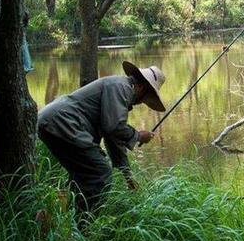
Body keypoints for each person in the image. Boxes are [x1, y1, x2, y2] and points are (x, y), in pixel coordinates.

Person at [37, 61, 166, 223]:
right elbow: (114, 127)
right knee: (100, 171)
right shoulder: (121, 88)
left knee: (81, 175)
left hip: (53, 121)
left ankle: (50, 217)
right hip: (63, 122)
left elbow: (112, 137)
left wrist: (128, 175)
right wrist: (139, 136)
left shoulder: (120, 88)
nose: (142, 103)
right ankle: (83, 226)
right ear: (142, 87)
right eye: (146, 98)